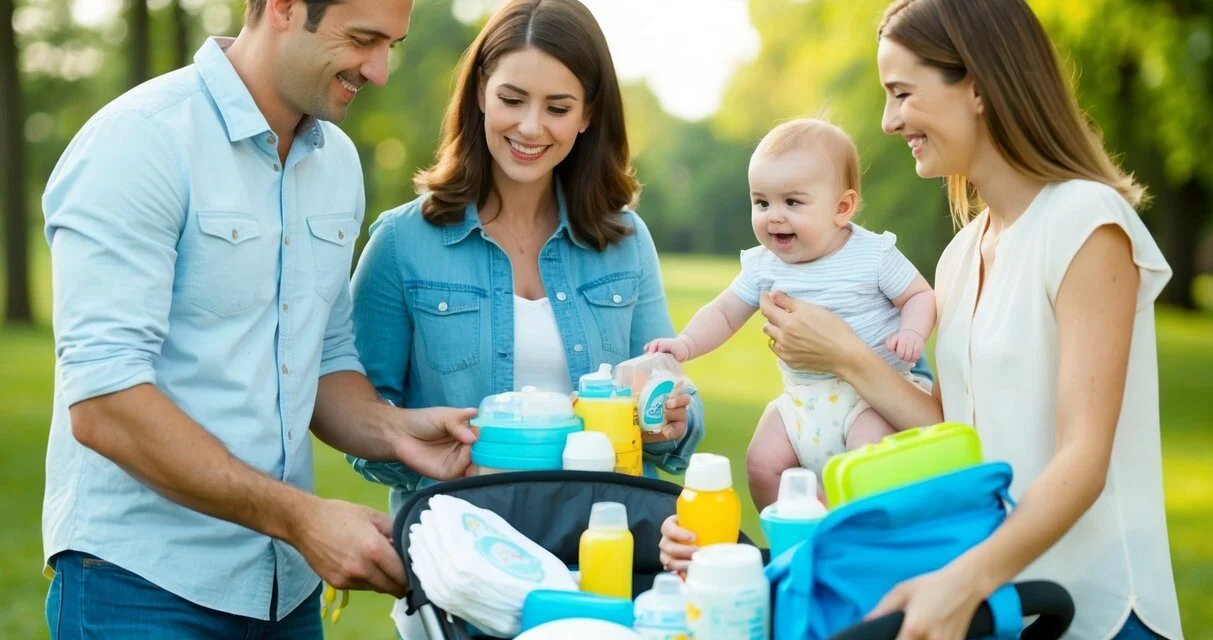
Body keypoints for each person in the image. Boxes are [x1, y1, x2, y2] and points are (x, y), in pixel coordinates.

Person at [677, 0, 1182, 637]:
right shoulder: (959, 255)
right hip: (989, 602)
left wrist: (966, 579)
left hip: (1095, 608)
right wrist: (844, 359)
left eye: (902, 93)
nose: (889, 121)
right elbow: (950, 428)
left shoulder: (1086, 222)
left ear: (976, 85)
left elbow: (1083, 456)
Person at [41, 1, 479, 637]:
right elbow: (104, 401)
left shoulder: (337, 163)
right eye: (362, 39)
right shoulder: (140, 140)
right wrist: (300, 518)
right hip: (141, 588)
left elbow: (323, 359)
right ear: (282, 7)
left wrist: (396, 431)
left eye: (393, 45)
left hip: (284, 592)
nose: (380, 70)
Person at [345, 0, 703, 635]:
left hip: (606, 569)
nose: (531, 126)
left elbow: (670, 394)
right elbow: (360, 423)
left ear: (589, 114)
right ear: (480, 91)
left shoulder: (625, 240)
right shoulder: (403, 243)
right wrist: (439, 457)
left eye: (558, 108)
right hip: (467, 576)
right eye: (513, 98)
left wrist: (670, 414)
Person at [646, 118, 938, 509]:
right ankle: (801, 533)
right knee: (762, 462)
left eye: (792, 202)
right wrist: (686, 343)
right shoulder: (764, 265)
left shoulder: (873, 254)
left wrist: (913, 332)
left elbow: (920, 294)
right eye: (761, 202)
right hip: (802, 399)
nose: (774, 216)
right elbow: (725, 311)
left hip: (872, 393)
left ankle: (844, 527)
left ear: (842, 207)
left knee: (865, 457)